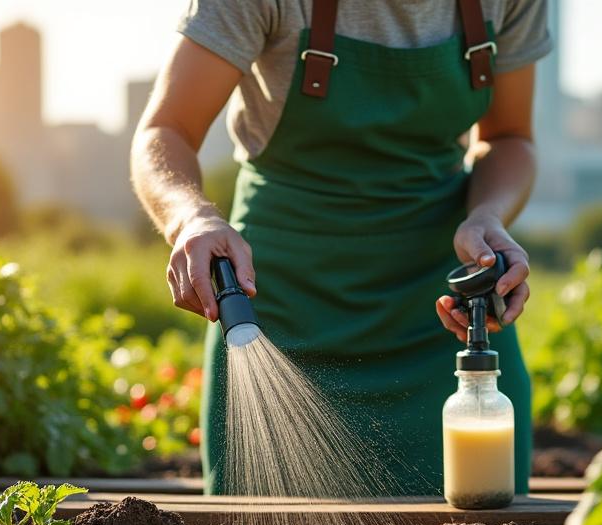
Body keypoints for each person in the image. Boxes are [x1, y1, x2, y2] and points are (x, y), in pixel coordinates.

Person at [132, 0, 549, 495]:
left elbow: (508, 136)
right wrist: (191, 218)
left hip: (444, 315)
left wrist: (487, 216)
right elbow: (166, 129)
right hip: (281, 300)